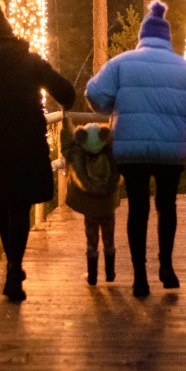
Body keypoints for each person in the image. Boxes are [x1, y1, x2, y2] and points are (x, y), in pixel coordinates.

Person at [0, 0, 76, 302]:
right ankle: (14, 269)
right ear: (11, 33)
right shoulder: (31, 62)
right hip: (27, 144)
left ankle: (13, 267)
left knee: (5, 206)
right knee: (19, 207)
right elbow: (67, 93)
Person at [86, 0, 186, 298]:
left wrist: (110, 109)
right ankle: (166, 268)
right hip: (171, 153)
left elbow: (94, 94)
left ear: (142, 36)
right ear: (167, 38)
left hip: (131, 150)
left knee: (138, 208)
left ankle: (139, 277)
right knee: (167, 206)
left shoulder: (121, 63)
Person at [61, 120, 120, 285]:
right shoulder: (112, 155)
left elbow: (67, 148)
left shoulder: (78, 157)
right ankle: (110, 273)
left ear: (82, 139)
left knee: (91, 241)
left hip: (90, 209)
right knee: (109, 240)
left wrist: (66, 123)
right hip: (107, 207)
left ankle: (92, 276)